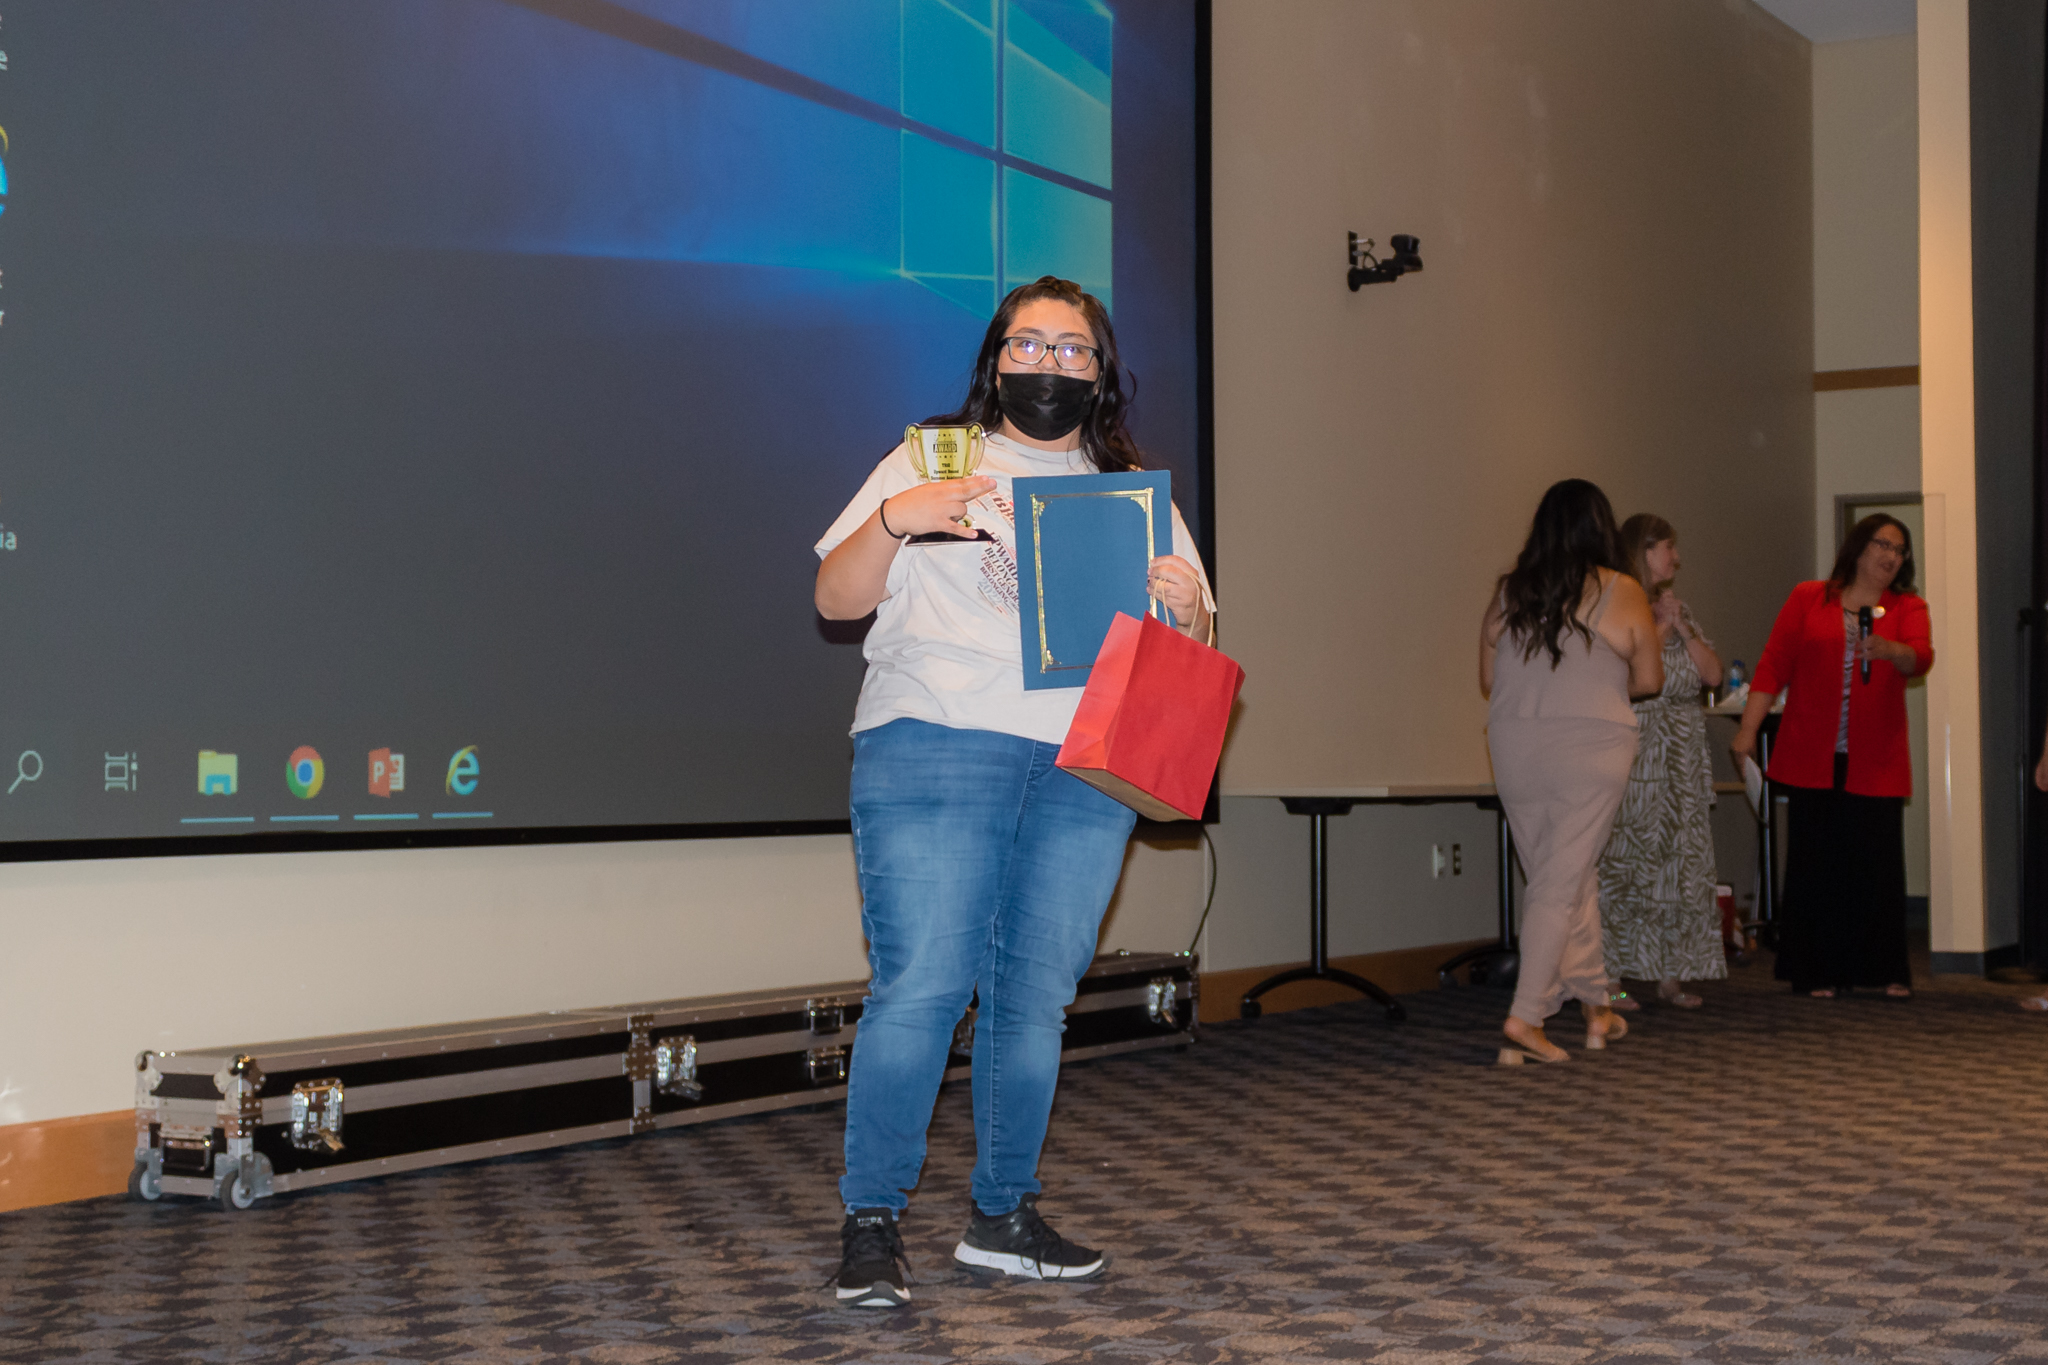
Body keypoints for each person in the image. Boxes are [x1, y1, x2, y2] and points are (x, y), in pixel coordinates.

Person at [812, 276, 1214, 1307]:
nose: (1048, 363)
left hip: (1084, 762)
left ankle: (1001, 1215)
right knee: (924, 983)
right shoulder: (930, 458)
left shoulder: (1130, 493)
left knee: (1034, 995)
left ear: (1101, 372)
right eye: (1027, 344)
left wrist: (1187, 609)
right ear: (994, 360)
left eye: (1072, 349)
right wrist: (897, 519)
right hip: (936, 736)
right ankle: (872, 1219)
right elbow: (835, 598)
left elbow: (1191, 646)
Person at [1480, 479, 1664, 1063]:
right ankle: (1526, 1017)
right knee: (1559, 882)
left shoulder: (1511, 590)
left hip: (1515, 741)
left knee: (1566, 877)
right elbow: (1650, 680)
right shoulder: (1622, 588)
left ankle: (1596, 1006)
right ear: (1602, 528)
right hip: (1592, 744)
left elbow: (1488, 680)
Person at [1728, 515, 1933, 999]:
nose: (1891, 556)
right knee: (1816, 865)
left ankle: (1883, 971)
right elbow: (1774, 663)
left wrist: (1890, 649)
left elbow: (1920, 658)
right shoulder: (1809, 597)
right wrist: (1747, 729)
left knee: (1875, 865)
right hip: (1812, 753)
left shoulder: (1908, 606)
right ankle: (1815, 971)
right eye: (1882, 544)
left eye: (1899, 550)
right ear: (1858, 547)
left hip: (1876, 758)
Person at [1597, 514, 1726, 1010]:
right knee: (1628, 864)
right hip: (1639, 752)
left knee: (1681, 866)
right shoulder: (1617, 606)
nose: (1676, 558)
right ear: (1645, 551)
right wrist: (1661, 629)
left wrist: (1684, 628)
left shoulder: (1678, 608)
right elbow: (1617, 675)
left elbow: (1712, 675)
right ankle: (1611, 981)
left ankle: (1671, 976)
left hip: (1682, 757)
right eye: (1668, 547)